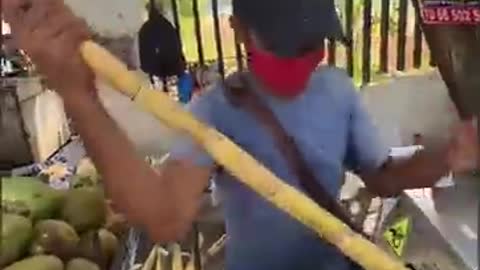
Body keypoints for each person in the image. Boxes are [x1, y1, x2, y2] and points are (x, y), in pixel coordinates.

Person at [3, 0, 478, 269]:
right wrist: (80, 99)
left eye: (311, 43)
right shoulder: (217, 111)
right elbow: (165, 219)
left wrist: (445, 157)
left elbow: (382, 177)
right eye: (284, 42)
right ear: (239, 30)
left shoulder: (337, 89)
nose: (299, 56)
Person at [138, 0, 186, 93]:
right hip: (172, 68)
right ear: (161, 10)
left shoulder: (145, 29)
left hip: (154, 71)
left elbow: (143, 55)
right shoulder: (167, 26)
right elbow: (177, 46)